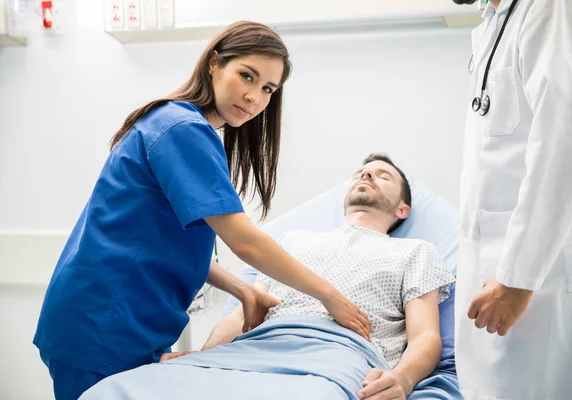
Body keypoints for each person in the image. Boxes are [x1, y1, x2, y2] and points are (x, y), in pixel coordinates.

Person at [33, 21, 371, 400]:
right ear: (214, 63)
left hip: (114, 321)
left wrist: (244, 289)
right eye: (247, 76)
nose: (255, 98)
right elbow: (246, 242)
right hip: (103, 323)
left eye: (267, 89)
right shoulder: (182, 129)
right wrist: (331, 296)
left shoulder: (180, 126)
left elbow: (161, 242)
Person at [81, 153, 456, 400]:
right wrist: (209, 355)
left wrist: (404, 380)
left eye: (382, 175)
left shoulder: (416, 251)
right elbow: (246, 307)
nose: (367, 175)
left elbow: (425, 336)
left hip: (339, 357)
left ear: (403, 207)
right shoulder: (292, 242)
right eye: (361, 172)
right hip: (256, 347)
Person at [452, 0, 572, 398]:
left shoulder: (556, 7)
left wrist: (518, 278)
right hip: (494, 274)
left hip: (540, 280)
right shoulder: (496, 22)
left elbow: (566, 145)